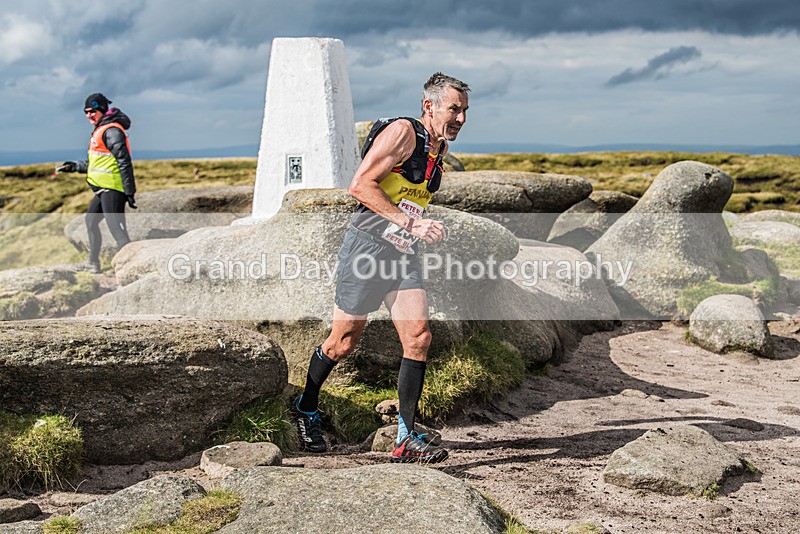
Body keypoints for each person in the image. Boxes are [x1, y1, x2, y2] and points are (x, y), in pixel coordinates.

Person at [293, 72, 470, 463]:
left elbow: (409, 196)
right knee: (343, 341)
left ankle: (405, 437)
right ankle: (306, 406)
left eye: (464, 111)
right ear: (430, 106)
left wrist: (419, 228)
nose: (459, 118)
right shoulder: (404, 133)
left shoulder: (437, 150)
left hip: (402, 253)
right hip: (366, 249)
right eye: (453, 109)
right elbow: (360, 185)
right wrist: (411, 222)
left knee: (419, 337)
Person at [57, 93, 136, 273]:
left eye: (92, 111)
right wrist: (75, 166)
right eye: (86, 112)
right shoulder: (101, 129)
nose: (89, 115)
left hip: (113, 189)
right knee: (91, 221)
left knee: (118, 233)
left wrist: (129, 191)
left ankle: (131, 270)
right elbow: (98, 163)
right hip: (102, 190)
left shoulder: (112, 130)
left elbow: (124, 161)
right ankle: (92, 262)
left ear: (101, 110)